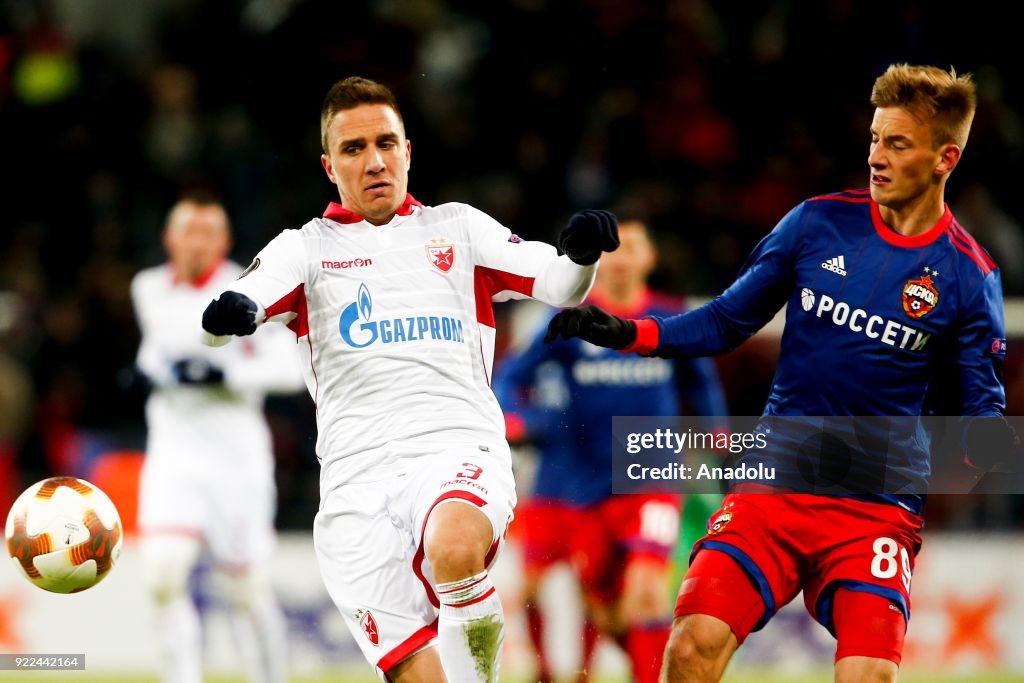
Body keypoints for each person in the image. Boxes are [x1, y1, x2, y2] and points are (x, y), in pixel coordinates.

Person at [544, 64, 1018, 682]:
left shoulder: (968, 276)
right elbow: (726, 321)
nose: (876, 156)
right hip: (775, 487)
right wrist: (632, 332)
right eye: (875, 137)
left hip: (874, 508)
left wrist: (988, 445)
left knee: (867, 676)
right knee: (691, 646)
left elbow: (982, 404)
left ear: (943, 158)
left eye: (897, 144)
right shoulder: (817, 223)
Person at [198, 76, 620, 683]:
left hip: (454, 447)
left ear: (407, 150)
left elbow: (556, 285)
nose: (374, 161)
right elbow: (233, 308)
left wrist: (581, 258)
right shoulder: (306, 249)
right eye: (353, 149)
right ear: (329, 166)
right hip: (354, 487)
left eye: (386, 143)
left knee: (454, 545)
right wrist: (229, 316)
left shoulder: (458, 229)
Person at [493, 218, 728, 683]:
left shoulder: (671, 319)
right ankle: (579, 670)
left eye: (632, 247)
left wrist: (718, 438)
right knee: (607, 612)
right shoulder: (572, 319)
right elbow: (511, 374)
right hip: (583, 488)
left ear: (648, 259)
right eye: (613, 249)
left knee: (646, 588)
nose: (621, 258)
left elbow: (702, 388)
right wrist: (513, 417)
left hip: (651, 479)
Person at [131, 192, 304, 683]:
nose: (199, 242)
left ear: (225, 241)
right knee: (163, 574)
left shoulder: (247, 290)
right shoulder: (147, 289)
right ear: (170, 238)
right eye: (190, 230)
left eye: (210, 232)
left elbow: (288, 369)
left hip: (236, 460)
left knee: (246, 590)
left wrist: (224, 377)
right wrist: (149, 373)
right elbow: (156, 350)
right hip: (173, 455)